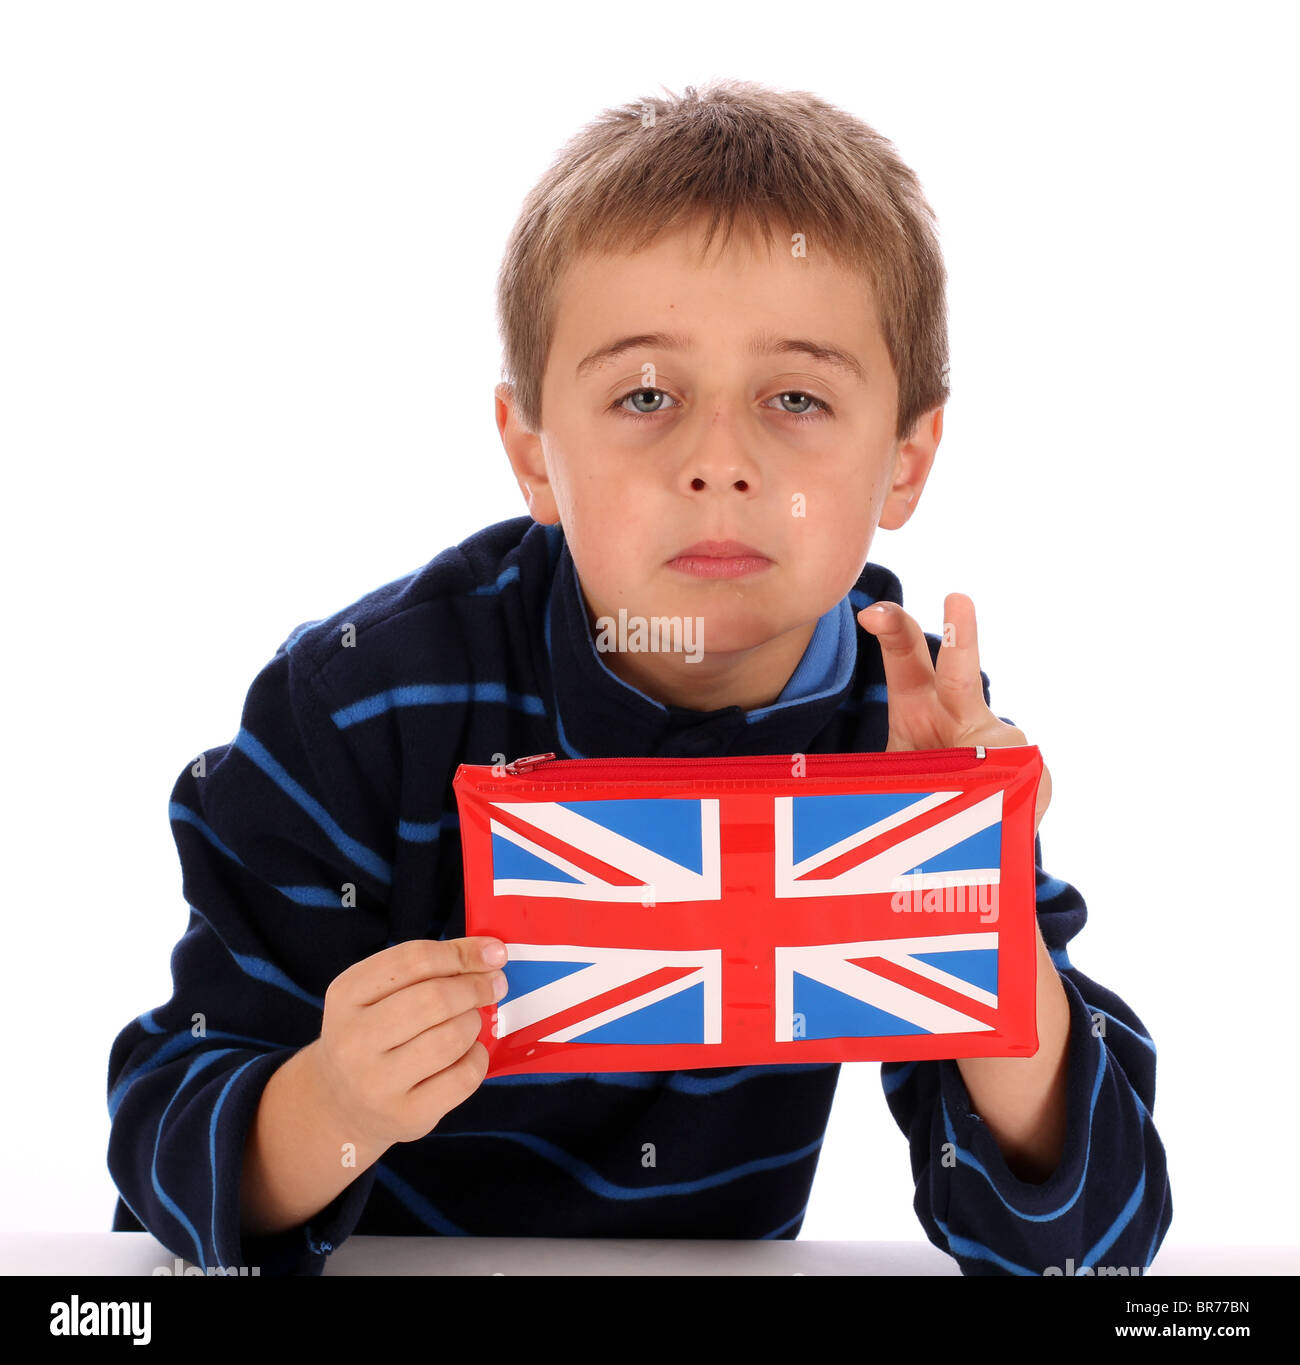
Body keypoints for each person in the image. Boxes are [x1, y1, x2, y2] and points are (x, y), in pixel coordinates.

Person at [106, 78, 1171, 1277]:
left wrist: (983, 916)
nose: (719, 462)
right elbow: (163, 1143)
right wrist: (336, 1099)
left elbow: (1086, 1241)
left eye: (796, 398)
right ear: (534, 454)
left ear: (904, 461)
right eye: (646, 396)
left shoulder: (908, 723)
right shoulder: (360, 708)